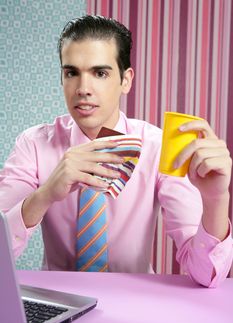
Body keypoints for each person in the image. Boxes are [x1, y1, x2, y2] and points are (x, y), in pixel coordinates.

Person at [0, 15, 232, 287]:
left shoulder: (157, 146)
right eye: (72, 73)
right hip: (56, 300)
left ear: (126, 80)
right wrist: (44, 195)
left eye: (100, 73)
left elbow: (207, 276)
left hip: (137, 302)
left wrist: (216, 199)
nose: (83, 89)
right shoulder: (33, 144)